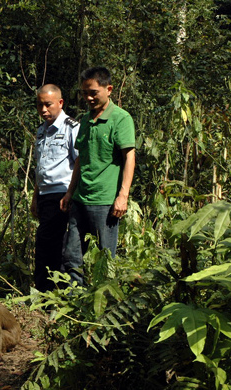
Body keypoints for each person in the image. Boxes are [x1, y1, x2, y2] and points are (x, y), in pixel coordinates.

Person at [60, 67, 135, 286]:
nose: (89, 98)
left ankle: (104, 303)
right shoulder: (85, 120)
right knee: (72, 255)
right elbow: (80, 159)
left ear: (108, 89)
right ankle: (74, 300)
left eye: (93, 92)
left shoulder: (121, 119)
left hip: (105, 201)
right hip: (80, 199)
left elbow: (129, 158)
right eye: (85, 93)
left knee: (105, 258)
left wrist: (123, 195)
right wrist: (69, 193)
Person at [31, 84, 80, 292]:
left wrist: (70, 193)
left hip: (61, 195)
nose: (43, 110)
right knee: (49, 245)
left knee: (49, 244)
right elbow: (40, 167)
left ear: (60, 103)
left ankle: (48, 292)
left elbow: (79, 162)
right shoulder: (42, 131)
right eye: (40, 105)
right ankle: (49, 293)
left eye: (48, 105)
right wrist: (35, 196)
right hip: (44, 194)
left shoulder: (71, 128)